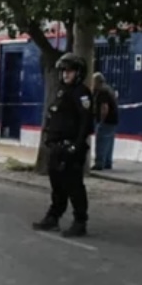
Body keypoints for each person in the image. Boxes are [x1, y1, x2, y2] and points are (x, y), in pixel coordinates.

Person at [32, 52, 94, 238]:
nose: (66, 75)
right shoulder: (61, 91)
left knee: (74, 186)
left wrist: (76, 145)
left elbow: (85, 123)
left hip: (71, 148)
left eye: (70, 71)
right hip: (56, 147)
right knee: (57, 184)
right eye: (64, 71)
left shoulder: (82, 93)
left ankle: (80, 221)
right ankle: (53, 216)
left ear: (78, 73)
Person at [90, 73, 119, 170]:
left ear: (97, 82)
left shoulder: (102, 91)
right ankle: (107, 162)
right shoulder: (108, 89)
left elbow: (104, 107)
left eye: (93, 82)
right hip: (113, 119)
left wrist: (101, 121)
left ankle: (99, 163)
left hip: (106, 120)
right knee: (109, 142)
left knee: (101, 141)